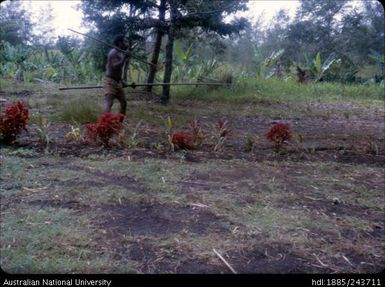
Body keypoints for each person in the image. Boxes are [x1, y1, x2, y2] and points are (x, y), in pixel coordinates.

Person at [103, 35, 130, 116]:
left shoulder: (120, 53)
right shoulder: (114, 53)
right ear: (119, 43)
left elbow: (118, 71)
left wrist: (121, 80)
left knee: (124, 103)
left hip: (117, 82)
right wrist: (125, 58)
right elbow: (115, 66)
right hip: (109, 81)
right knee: (109, 103)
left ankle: (118, 124)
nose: (127, 44)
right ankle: (105, 125)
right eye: (125, 42)